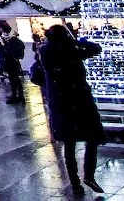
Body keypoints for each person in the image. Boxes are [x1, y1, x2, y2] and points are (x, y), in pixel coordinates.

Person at [33, 23, 106, 197]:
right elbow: (95, 49)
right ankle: (88, 174)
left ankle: (75, 183)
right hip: (79, 100)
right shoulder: (71, 50)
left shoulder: (45, 52)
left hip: (60, 103)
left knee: (69, 143)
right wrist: (80, 41)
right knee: (92, 137)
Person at [1, 26, 28, 104]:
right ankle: (18, 96)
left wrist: (4, 45)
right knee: (15, 80)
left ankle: (17, 96)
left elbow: (9, 53)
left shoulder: (11, 43)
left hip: (11, 63)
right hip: (13, 63)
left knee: (14, 80)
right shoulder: (17, 42)